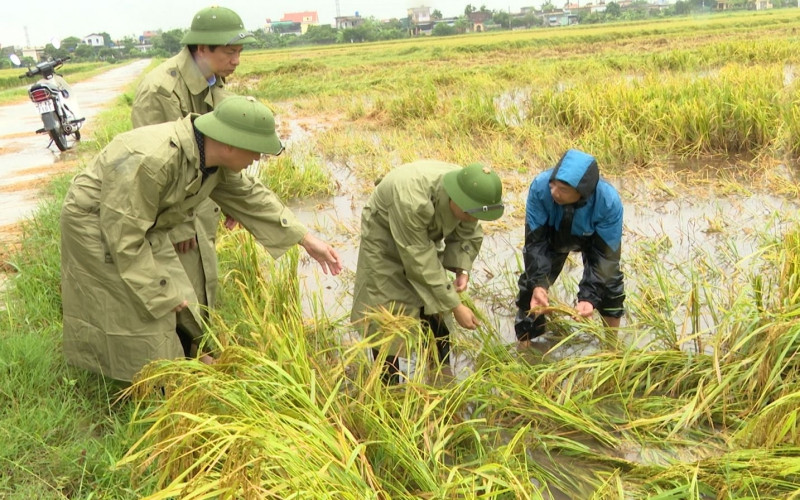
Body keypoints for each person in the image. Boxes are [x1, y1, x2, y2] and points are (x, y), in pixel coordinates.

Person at [61, 96, 342, 382]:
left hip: (145, 221)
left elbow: (251, 197)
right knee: (141, 304)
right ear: (230, 143)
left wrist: (307, 241)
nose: (258, 158)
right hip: (96, 222)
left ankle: (187, 361)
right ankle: (157, 382)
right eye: (256, 151)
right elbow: (123, 235)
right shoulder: (153, 160)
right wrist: (160, 293)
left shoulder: (211, 155)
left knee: (182, 296)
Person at [131, 5, 255, 321]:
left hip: (198, 202)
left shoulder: (213, 81)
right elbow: (155, 166)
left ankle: (203, 352)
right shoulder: (162, 90)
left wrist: (231, 202)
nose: (236, 61)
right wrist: (180, 227)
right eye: (229, 52)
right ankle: (189, 359)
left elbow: (218, 151)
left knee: (203, 281)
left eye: (239, 52)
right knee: (179, 288)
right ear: (202, 48)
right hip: (173, 211)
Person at [351, 160, 504, 383]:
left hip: (419, 235)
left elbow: (468, 232)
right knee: (388, 309)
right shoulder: (412, 200)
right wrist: (455, 305)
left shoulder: (467, 194)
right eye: (470, 213)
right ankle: (387, 384)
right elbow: (419, 261)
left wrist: (463, 269)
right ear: (456, 199)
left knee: (433, 308)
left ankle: (440, 375)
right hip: (383, 237)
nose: (473, 219)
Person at [515, 149, 624, 344]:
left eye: (563, 190)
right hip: (552, 233)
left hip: (593, 237)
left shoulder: (608, 202)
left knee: (611, 286)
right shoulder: (540, 187)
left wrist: (589, 298)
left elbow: (606, 257)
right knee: (530, 287)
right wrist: (539, 283)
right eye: (554, 185)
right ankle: (525, 348)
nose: (554, 193)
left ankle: (611, 346)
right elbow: (535, 243)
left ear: (582, 192)